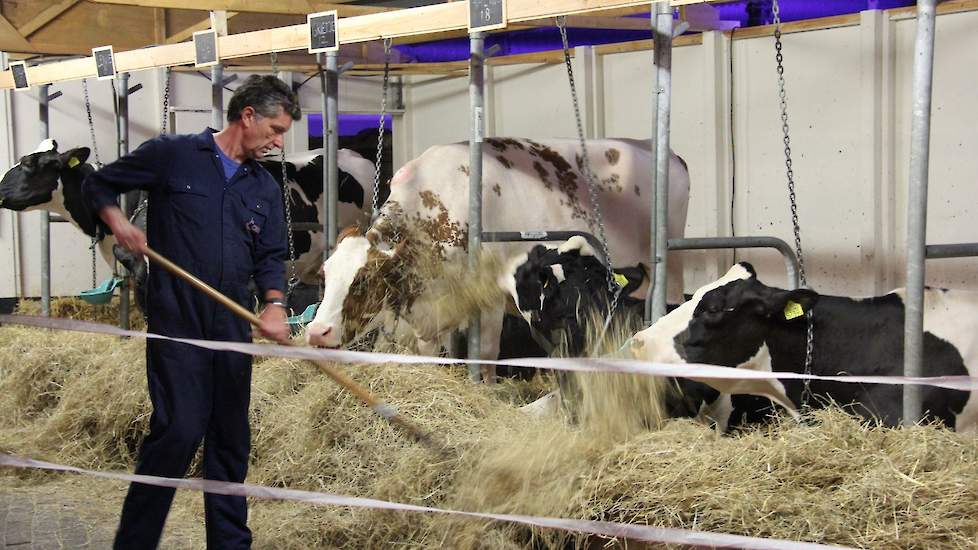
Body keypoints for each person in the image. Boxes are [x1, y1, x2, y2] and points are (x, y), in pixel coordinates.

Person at [83, 74, 300, 549]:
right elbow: (98, 183)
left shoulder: (263, 186)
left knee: (229, 438)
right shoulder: (174, 154)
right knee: (178, 432)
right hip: (177, 320)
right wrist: (117, 219)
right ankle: (135, 543)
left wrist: (276, 306)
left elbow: (270, 257)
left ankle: (229, 544)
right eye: (275, 129)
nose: (279, 142)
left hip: (230, 324)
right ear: (247, 116)